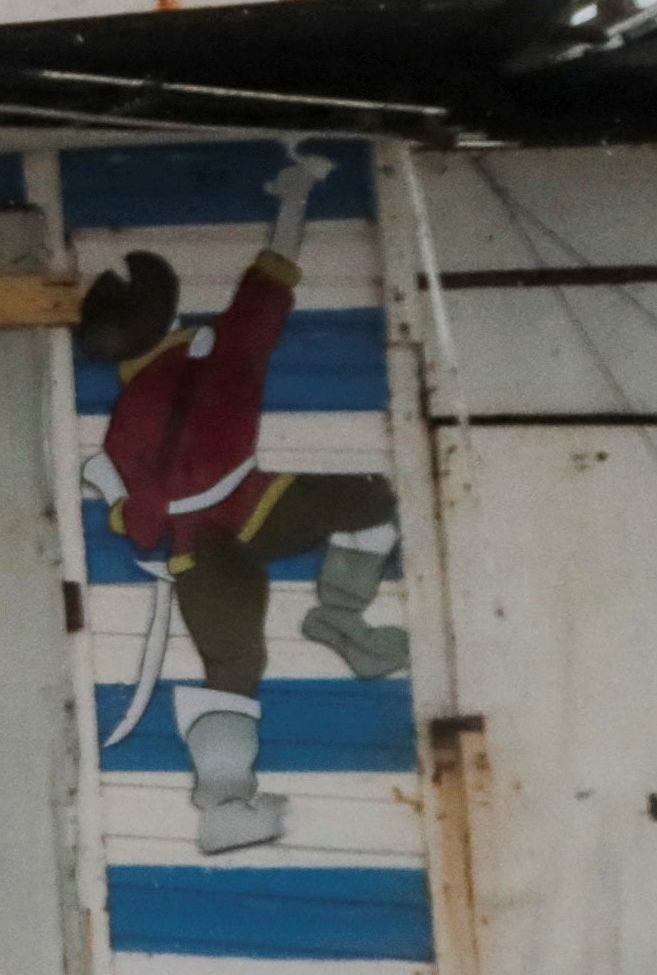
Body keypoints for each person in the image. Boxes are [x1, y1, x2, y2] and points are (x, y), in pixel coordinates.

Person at [79, 143, 412, 855]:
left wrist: (122, 500)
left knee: (367, 503)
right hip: (218, 539)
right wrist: (295, 198)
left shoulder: (142, 403)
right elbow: (269, 283)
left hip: (245, 511)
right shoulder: (213, 354)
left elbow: (134, 524)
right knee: (366, 509)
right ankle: (227, 808)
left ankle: (340, 622)